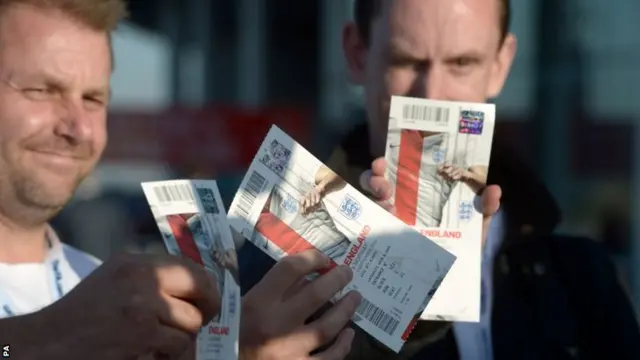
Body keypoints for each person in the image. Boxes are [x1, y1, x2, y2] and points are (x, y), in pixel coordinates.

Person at [239, 0, 640, 359]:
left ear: (500, 65)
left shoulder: (581, 278)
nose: (432, 94)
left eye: (461, 63)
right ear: (358, 54)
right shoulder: (270, 277)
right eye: (406, 61)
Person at [0, 1, 362, 359]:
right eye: (41, 90)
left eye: (93, 99)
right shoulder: (100, 307)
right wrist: (43, 338)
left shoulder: (107, 291)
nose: (78, 128)